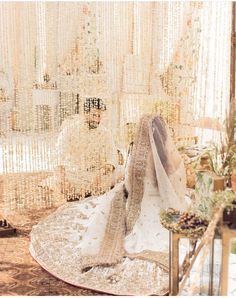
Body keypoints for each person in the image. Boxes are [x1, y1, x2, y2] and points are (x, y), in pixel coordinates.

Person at [30, 115, 188, 296]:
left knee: (106, 207)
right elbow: (176, 186)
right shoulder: (169, 157)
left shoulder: (138, 155)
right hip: (162, 205)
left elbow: (130, 184)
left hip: (140, 204)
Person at [41, 97, 123, 200]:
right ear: (85, 113)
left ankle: (87, 191)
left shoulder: (105, 133)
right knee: (58, 181)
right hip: (75, 175)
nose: (97, 120)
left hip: (96, 174)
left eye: (99, 116)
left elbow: (112, 155)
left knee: (121, 172)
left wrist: (102, 171)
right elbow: (58, 154)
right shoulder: (70, 130)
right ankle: (81, 191)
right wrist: (62, 178)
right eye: (94, 115)